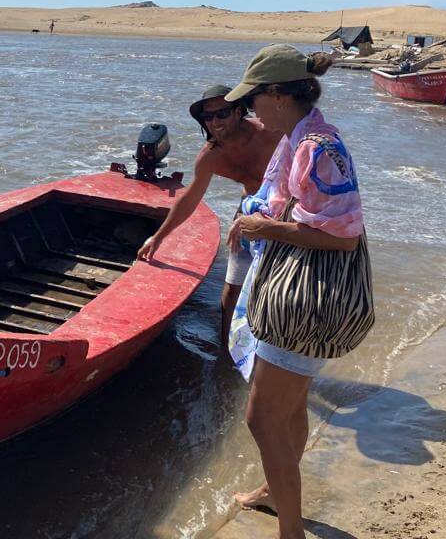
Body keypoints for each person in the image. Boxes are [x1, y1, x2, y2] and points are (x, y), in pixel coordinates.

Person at [222, 45, 364, 539]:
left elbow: (343, 238)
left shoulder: (316, 149)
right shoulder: (301, 140)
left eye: (253, 99)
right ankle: (273, 489)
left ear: (279, 95)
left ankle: (290, 533)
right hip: (298, 291)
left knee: (262, 419)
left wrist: (266, 226)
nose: (248, 111)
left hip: (305, 298)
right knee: (291, 407)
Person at [137, 84, 280, 351]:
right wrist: (158, 238)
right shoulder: (210, 156)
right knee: (232, 289)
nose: (215, 122)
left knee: (278, 291)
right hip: (247, 215)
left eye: (222, 114)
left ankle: (275, 351)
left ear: (239, 111)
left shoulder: (271, 133)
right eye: (208, 117)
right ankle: (228, 351)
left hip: (284, 215)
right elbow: (190, 198)